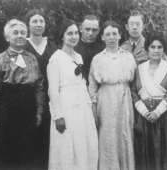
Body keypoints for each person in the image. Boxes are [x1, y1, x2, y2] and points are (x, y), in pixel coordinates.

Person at [0, 19, 44, 170]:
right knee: (6, 152)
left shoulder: (32, 59)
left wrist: (39, 111)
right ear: (7, 37)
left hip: (27, 108)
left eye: (23, 33)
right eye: (15, 33)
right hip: (6, 109)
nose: (20, 36)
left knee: (27, 150)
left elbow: (39, 86)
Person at [47, 19, 98, 170]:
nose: (74, 36)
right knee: (67, 148)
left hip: (82, 108)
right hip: (66, 109)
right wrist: (58, 116)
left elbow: (82, 84)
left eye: (76, 33)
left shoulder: (78, 57)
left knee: (84, 146)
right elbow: (53, 91)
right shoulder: (55, 59)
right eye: (69, 33)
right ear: (62, 36)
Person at [131, 32, 167, 170]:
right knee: (145, 151)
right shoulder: (139, 68)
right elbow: (134, 92)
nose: (156, 50)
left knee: (165, 151)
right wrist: (144, 111)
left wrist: (157, 112)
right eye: (152, 47)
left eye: (159, 47)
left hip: (163, 115)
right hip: (144, 115)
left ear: (163, 49)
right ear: (147, 49)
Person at [89, 20, 136, 170]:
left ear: (120, 36)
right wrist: (94, 105)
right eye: (107, 34)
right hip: (106, 98)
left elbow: (135, 81)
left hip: (124, 96)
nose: (111, 37)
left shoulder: (128, 56)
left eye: (114, 34)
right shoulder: (97, 58)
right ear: (102, 37)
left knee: (125, 134)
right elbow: (92, 84)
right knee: (107, 136)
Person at [23, 9, 57, 168]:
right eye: (34, 21)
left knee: (48, 139)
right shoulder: (21, 44)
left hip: (51, 99)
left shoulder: (53, 46)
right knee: (29, 139)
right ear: (28, 24)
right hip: (28, 100)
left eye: (41, 21)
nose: (38, 24)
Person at [74, 14, 105, 83]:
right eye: (87, 29)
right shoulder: (72, 48)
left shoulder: (104, 49)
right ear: (80, 28)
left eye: (94, 30)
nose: (90, 33)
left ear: (99, 31)